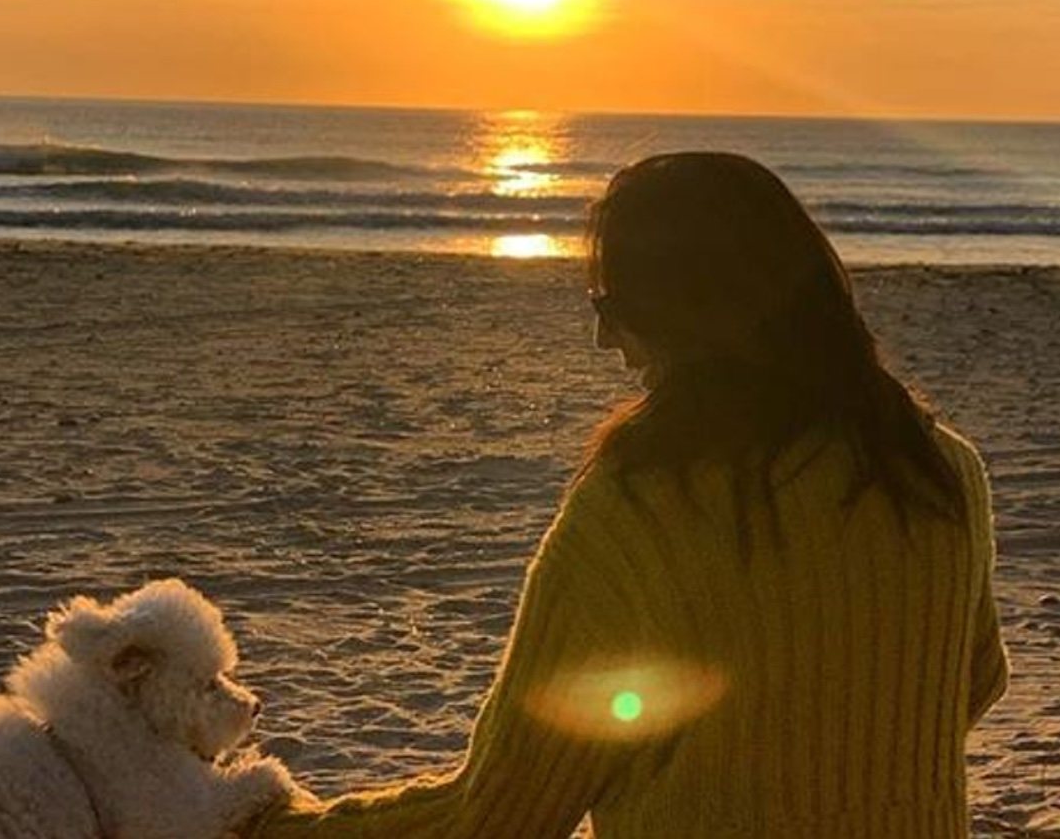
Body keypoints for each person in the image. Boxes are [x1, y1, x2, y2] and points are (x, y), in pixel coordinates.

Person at [255, 152, 1008, 838]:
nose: (604, 344)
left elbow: (498, 815)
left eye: (612, 310)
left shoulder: (642, 509)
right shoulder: (945, 472)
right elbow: (971, 682)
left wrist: (278, 830)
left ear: (685, 316)